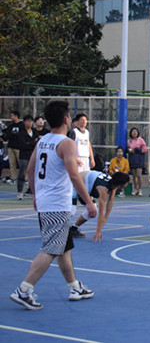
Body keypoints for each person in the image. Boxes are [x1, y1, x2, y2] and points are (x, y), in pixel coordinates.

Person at [9, 101, 97, 311]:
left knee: (63, 247)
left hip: (46, 202)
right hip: (57, 204)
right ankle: (24, 289)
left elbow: (30, 170)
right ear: (67, 119)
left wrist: (35, 195)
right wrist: (89, 202)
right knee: (51, 248)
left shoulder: (43, 140)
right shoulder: (66, 143)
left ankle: (74, 287)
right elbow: (74, 176)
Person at [69, 171, 130, 241]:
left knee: (92, 212)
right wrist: (98, 230)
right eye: (126, 183)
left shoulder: (114, 185)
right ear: (120, 184)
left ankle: (73, 229)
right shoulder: (103, 189)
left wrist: (105, 218)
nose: (127, 184)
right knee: (71, 211)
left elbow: (110, 201)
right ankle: (59, 228)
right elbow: (101, 211)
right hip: (75, 183)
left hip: (85, 186)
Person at [16, 115, 39, 200]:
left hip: (33, 156)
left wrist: (30, 143)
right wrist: (33, 143)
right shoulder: (21, 133)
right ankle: (20, 192)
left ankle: (32, 191)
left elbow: (37, 144)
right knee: (22, 174)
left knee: (33, 175)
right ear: (24, 122)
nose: (29, 123)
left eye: (31, 121)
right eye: (28, 121)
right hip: (24, 156)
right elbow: (23, 145)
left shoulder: (35, 133)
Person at [126, 127, 147, 196]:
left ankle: (140, 189)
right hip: (132, 159)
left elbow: (145, 149)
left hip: (139, 159)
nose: (134, 133)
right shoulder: (129, 141)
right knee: (134, 175)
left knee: (138, 174)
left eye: (136, 131)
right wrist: (129, 150)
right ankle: (136, 189)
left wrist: (137, 150)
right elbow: (127, 149)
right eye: (133, 131)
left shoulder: (141, 140)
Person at [4, 110, 22, 183]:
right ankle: (14, 178)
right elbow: (7, 135)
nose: (11, 117)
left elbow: (20, 135)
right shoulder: (10, 126)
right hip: (11, 147)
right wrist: (13, 135)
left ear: (16, 116)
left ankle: (22, 178)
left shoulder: (21, 125)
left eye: (12, 115)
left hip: (19, 147)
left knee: (21, 163)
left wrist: (14, 136)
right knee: (12, 163)